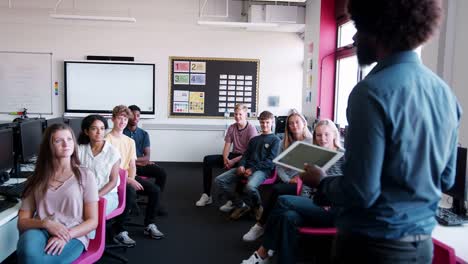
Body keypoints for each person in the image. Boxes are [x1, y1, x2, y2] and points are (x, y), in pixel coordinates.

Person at [301, 1, 462, 263]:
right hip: (421, 249)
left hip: (371, 248)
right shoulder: (445, 94)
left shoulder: (370, 93)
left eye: (359, 28)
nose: (354, 37)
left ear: (379, 29)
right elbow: (446, 180)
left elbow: (361, 192)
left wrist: (321, 181)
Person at [241, 120, 345, 264]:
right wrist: (302, 205)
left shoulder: (343, 156)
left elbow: (349, 188)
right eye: (319, 135)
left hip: (334, 210)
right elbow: (307, 188)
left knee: (283, 200)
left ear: (334, 135)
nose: (323, 139)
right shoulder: (315, 155)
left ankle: (263, 251)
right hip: (314, 206)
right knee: (287, 216)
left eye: (327, 134)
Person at [16, 124, 99, 263]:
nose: (66, 144)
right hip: (41, 229)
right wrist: (46, 224)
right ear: (49, 146)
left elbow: (92, 221)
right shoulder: (36, 178)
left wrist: (66, 235)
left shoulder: (85, 175)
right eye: (58, 140)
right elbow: (22, 222)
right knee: (28, 253)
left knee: (40, 261)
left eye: (69, 139)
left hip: (73, 233)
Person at [241, 112, 315, 242]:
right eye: (291, 123)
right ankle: (264, 227)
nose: (294, 125)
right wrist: (288, 179)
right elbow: (279, 167)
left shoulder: (313, 142)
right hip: (289, 180)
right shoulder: (283, 143)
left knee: (276, 191)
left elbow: (315, 167)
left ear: (304, 123)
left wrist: (301, 180)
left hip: (306, 183)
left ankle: (262, 225)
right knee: (278, 193)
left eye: (297, 122)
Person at [106, 105, 164, 246]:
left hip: (128, 176)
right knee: (130, 191)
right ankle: (120, 230)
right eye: (119, 118)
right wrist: (127, 180)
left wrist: (131, 178)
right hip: (112, 178)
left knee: (154, 190)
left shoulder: (129, 141)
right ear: (113, 119)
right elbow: (107, 167)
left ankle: (149, 224)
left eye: (125, 119)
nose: (123, 121)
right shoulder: (106, 140)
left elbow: (132, 164)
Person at [215, 110, 280, 220]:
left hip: (262, 170)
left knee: (250, 187)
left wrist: (253, 169)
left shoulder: (276, 140)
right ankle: (240, 205)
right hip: (246, 167)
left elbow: (271, 161)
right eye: (262, 122)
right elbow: (245, 155)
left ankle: (258, 207)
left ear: (272, 123)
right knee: (219, 180)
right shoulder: (254, 139)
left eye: (267, 122)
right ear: (259, 122)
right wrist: (241, 165)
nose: (264, 125)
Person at [196, 103, 257, 207]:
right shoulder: (232, 128)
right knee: (207, 160)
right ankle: (207, 195)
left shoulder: (251, 129)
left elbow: (249, 152)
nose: (237, 117)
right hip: (233, 156)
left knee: (240, 170)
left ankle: (234, 200)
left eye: (240, 114)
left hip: (245, 159)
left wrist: (232, 161)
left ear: (246, 115)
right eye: (236, 114)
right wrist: (225, 159)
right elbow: (227, 146)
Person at [124, 105, 168, 215]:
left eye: (138, 115)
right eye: (132, 115)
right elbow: (122, 159)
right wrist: (138, 161)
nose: (135, 118)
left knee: (161, 172)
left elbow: (147, 157)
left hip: (141, 165)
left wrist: (138, 160)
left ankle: (156, 202)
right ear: (127, 116)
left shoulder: (143, 134)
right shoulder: (122, 133)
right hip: (128, 167)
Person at [77, 114, 121, 216]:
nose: (99, 132)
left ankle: (87, 232)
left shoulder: (113, 152)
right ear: (86, 131)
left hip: (107, 195)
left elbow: (113, 181)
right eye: (94, 129)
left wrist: (94, 196)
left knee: (89, 214)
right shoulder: (80, 149)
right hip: (84, 193)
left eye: (102, 128)